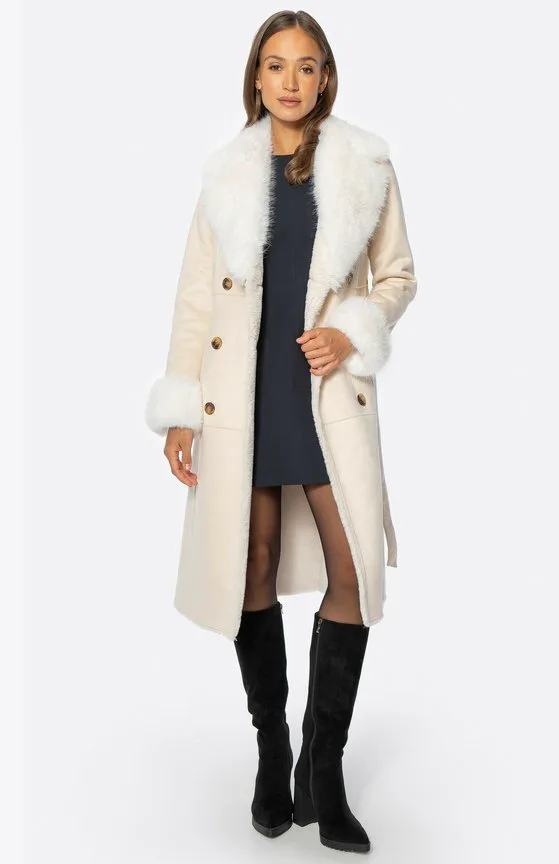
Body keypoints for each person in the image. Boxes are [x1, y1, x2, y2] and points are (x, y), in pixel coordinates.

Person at [145, 9, 417, 855]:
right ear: (256, 77)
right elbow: (196, 299)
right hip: (243, 397)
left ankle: (322, 767)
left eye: (305, 66)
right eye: (275, 65)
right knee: (251, 563)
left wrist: (352, 330)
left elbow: (398, 276)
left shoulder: (365, 164)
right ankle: (272, 752)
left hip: (326, 393)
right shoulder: (226, 173)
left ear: (325, 76)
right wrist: (180, 409)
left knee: (353, 570)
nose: (290, 81)